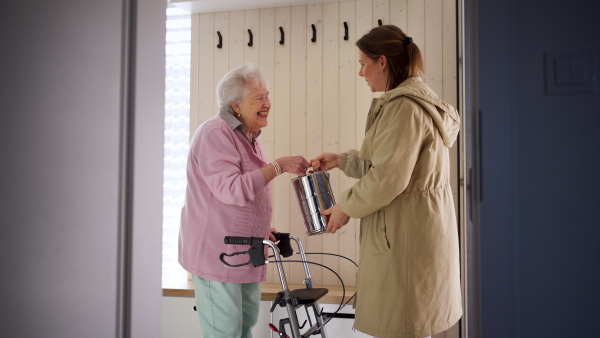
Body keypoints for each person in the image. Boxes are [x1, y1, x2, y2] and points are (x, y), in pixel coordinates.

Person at [311, 25, 462, 338]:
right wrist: (341, 160)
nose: (361, 73)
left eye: (363, 64)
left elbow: (387, 178)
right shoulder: (412, 102)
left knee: (399, 326)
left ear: (383, 62)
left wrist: (345, 208)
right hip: (415, 232)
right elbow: (389, 162)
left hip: (404, 237)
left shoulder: (404, 108)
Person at [179, 62, 311, 338]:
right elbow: (232, 189)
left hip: (246, 251)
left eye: (267, 95)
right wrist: (278, 166)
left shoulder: (250, 136)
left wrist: (261, 230)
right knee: (225, 332)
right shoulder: (214, 133)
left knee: (244, 327)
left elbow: (244, 198)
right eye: (258, 98)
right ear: (235, 105)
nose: (267, 103)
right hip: (219, 255)